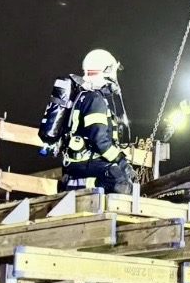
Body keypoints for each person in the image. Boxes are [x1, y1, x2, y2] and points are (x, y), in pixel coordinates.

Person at [50, 49, 136, 194]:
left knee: (117, 174)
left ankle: (75, 183)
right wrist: (122, 162)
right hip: (83, 163)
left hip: (74, 163)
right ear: (107, 71)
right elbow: (100, 142)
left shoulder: (82, 96)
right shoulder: (95, 100)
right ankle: (74, 185)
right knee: (120, 181)